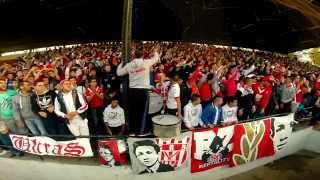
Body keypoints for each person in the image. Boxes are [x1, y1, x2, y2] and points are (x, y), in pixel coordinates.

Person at [117, 45, 160, 136]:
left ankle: (132, 131)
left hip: (132, 91)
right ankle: (140, 132)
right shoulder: (146, 63)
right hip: (143, 91)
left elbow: (119, 73)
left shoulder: (129, 65)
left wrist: (122, 63)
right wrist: (155, 51)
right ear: (142, 56)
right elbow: (156, 58)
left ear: (134, 56)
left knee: (133, 111)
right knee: (142, 112)